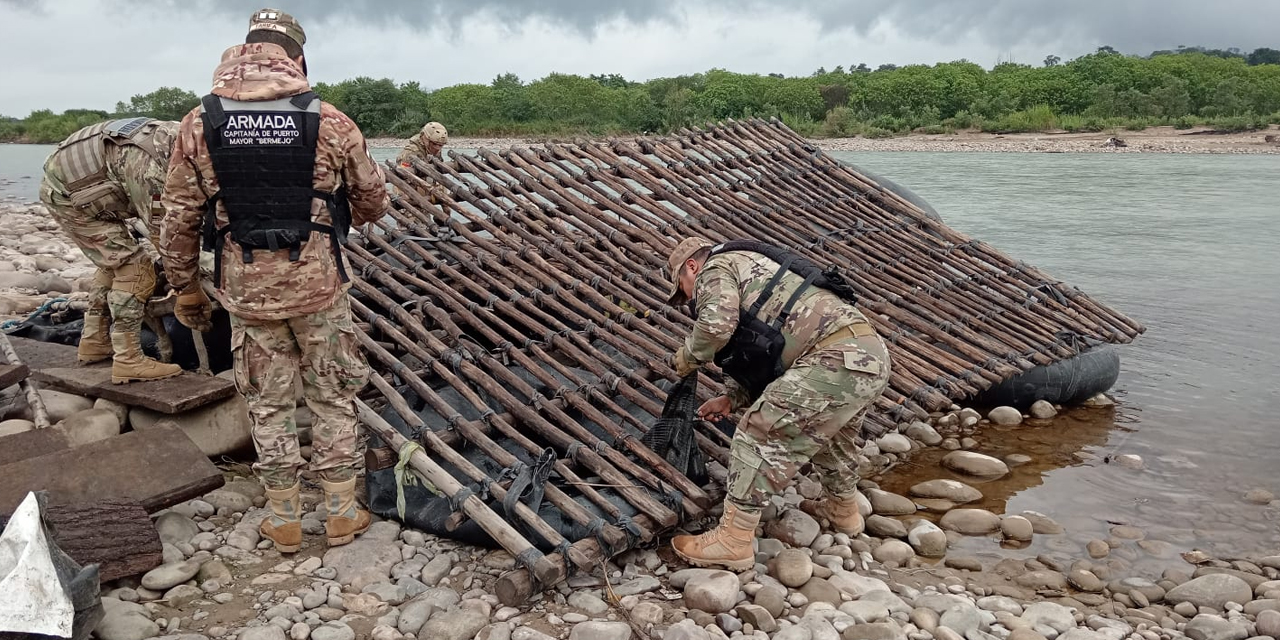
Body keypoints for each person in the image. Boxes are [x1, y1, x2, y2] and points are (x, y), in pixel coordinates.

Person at [159, 8, 391, 553]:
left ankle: (284, 518)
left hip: (244, 288)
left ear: (242, 51)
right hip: (319, 286)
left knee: (268, 402)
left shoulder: (199, 123)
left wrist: (186, 286)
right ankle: (340, 511)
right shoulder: (328, 120)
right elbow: (374, 202)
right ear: (296, 56)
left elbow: (178, 217)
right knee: (333, 394)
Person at [664, 237, 892, 570]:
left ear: (691, 267)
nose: (687, 299)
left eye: (684, 290)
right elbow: (766, 352)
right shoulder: (755, 268)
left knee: (759, 430)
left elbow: (715, 327)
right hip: (868, 354)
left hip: (832, 359)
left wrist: (686, 358)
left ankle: (733, 539)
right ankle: (844, 512)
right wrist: (732, 397)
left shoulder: (715, 267)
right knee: (832, 438)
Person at [38, 118, 184, 384]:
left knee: (112, 264)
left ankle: (95, 343)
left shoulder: (180, 136)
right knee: (136, 268)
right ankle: (128, 360)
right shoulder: (151, 168)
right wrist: (187, 284)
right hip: (69, 198)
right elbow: (163, 237)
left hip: (85, 188)